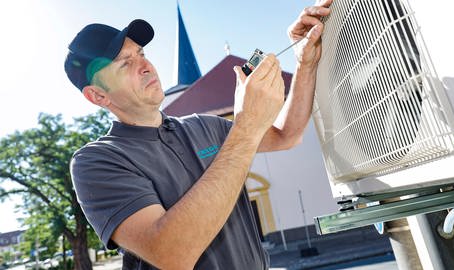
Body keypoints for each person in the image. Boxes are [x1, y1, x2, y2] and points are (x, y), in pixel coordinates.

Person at [64, 1, 332, 269]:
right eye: (125, 64)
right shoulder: (96, 162)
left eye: (141, 53)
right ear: (98, 95)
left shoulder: (205, 127)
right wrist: (246, 126)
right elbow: (171, 254)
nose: (146, 66)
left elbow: (287, 135)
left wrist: (304, 62)